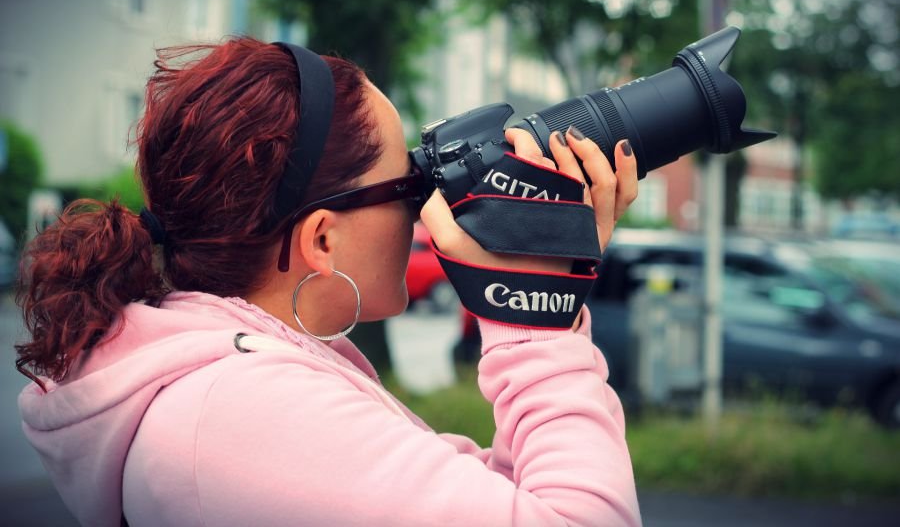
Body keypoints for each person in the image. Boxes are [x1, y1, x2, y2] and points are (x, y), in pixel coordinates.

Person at [16, 37, 642, 526]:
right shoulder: (239, 412)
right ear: (321, 239)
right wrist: (537, 324)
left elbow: (503, 499)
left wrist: (545, 281)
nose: (428, 209)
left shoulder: (241, 382)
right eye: (409, 186)